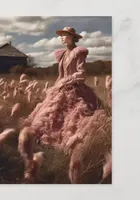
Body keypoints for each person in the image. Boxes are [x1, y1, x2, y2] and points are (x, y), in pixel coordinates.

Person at [18, 27, 105, 181]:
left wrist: (68, 81)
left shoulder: (79, 52)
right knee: (49, 114)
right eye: (61, 36)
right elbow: (60, 75)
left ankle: (73, 144)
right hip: (61, 87)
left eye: (65, 35)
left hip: (76, 89)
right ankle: (40, 143)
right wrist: (55, 87)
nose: (62, 38)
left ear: (73, 37)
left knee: (74, 117)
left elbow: (82, 74)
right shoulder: (62, 54)